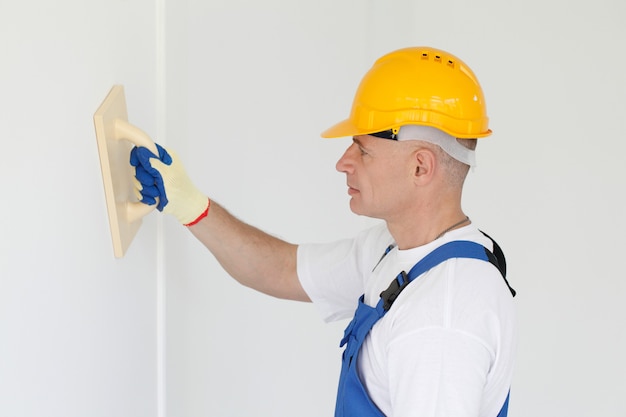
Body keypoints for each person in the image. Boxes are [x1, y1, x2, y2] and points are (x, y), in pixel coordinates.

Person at [131, 46, 517, 417]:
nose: (342, 163)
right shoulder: (394, 251)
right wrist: (191, 205)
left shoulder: (442, 319)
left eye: (362, 149)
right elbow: (281, 270)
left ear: (420, 167)